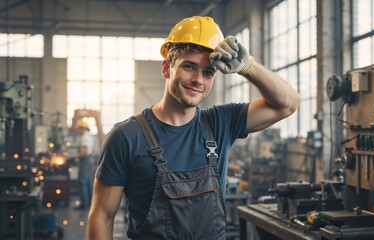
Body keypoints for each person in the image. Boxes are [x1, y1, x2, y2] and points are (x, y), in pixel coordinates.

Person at [87, 16, 300, 239]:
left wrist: (248, 67)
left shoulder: (221, 123)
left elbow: (288, 103)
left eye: (208, 72)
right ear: (166, 68)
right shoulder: (126, 137)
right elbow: (102, 216)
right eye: (189, 66)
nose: (199, 79)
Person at [74, 119, 94, 210]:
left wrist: (76, 157)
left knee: (82, 182)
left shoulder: (84, 137)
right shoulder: (88, 136)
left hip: (85, 161)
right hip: (88, 161)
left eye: (79, 129)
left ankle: (84, 204)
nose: (78, 131)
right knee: (88, 182)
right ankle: (90, 203)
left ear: (82, 128)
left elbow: (85, 151)